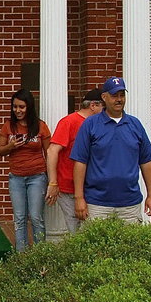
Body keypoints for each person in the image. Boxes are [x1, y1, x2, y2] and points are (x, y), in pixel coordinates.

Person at [70, 77, 151, 224]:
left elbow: (146, 161)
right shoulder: (90, 125)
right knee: (96, 247)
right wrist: (79, 198)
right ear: (104, 97)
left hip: (130, 204)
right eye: (114, 95)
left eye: (122, 95)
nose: (119, 99)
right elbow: (80, 162)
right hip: (97, 204)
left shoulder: (135, 125)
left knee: (130, 247)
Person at [0, 88, 52, 252]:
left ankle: (39, 255)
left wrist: (52, 180)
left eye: (21, 107)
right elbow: (0, 151)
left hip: (37, 177)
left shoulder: (41, 126)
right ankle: (21, 255)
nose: (18, 110)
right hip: (16, 178)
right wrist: (11, 145)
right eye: (15, 107)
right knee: (20, 218)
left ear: (29, 107)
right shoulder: (8, 126)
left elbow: (49, 153)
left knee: (36, 217)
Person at [45, 89, 103, 235]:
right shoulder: (69, 122)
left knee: (91, 230)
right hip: (69, 187)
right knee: (77, 231)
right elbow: (52, 151)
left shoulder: (101, 124)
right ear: (93, 105)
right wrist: (53, 182)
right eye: (104, 106)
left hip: (93, 187)